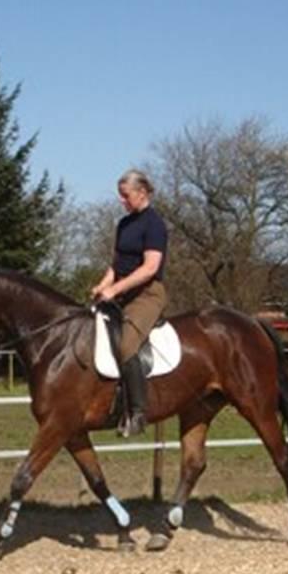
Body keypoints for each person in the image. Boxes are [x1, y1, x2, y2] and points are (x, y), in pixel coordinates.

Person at [91, 169, 168, 436]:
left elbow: (149, 268)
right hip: (122, 292)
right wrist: (103, 285)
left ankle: (137, 413)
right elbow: (117, 264)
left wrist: (116, 289)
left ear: (142, 192)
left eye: (126, 196)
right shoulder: (124, 224)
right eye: (120, 196)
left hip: (147, 294)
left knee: (126, 346)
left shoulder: (154, 224)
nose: (122, 201)